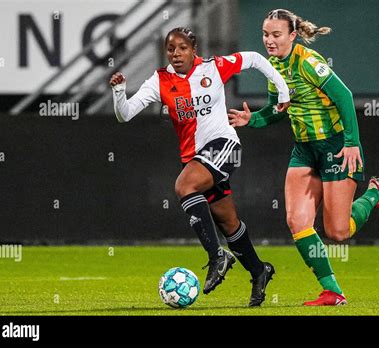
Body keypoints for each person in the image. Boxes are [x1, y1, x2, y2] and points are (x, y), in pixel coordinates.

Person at [228, 9, 379, 306]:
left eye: (276, 34)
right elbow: (276, 110)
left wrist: (351, 143)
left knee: (338, 231)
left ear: (292, 35)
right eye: (265, 34)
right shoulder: (273, 67)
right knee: (297, 221)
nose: (269, 40)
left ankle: (375, 193)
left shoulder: (308, 62)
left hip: (335, 147)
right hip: (305, 150)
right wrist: (252, 119)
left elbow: (344, 96)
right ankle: (332, 291)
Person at [110, 27, 290, 306]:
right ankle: (259, 271)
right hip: (197, 159)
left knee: (184, 185)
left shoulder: (214, 67)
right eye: (171, 49)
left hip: (225, 146)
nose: (176, 53)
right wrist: (119, 91)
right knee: (228, 222)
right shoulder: (160, 80)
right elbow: (125, 115)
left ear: (194, 48)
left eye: (182, 47)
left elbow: (254, 58)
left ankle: (217, 255)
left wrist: (282, 91)